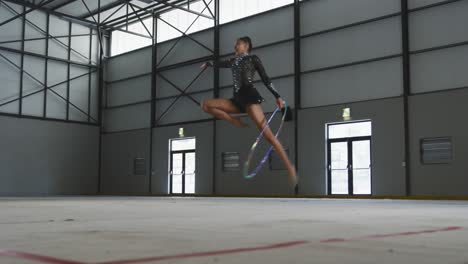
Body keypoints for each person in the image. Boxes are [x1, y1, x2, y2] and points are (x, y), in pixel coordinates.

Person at [200, 36, 298, 188]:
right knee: (206, 105)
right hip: (237, 101)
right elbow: (219, 63)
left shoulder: (253, 59)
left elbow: (266, 78)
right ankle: (233, 120)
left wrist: (277, 96)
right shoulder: (233, 61)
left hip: (250, 99)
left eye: (237, 44)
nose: (235, 47)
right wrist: (209, 63)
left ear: (246, 45)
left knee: (269, 136)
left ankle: (290, 167)